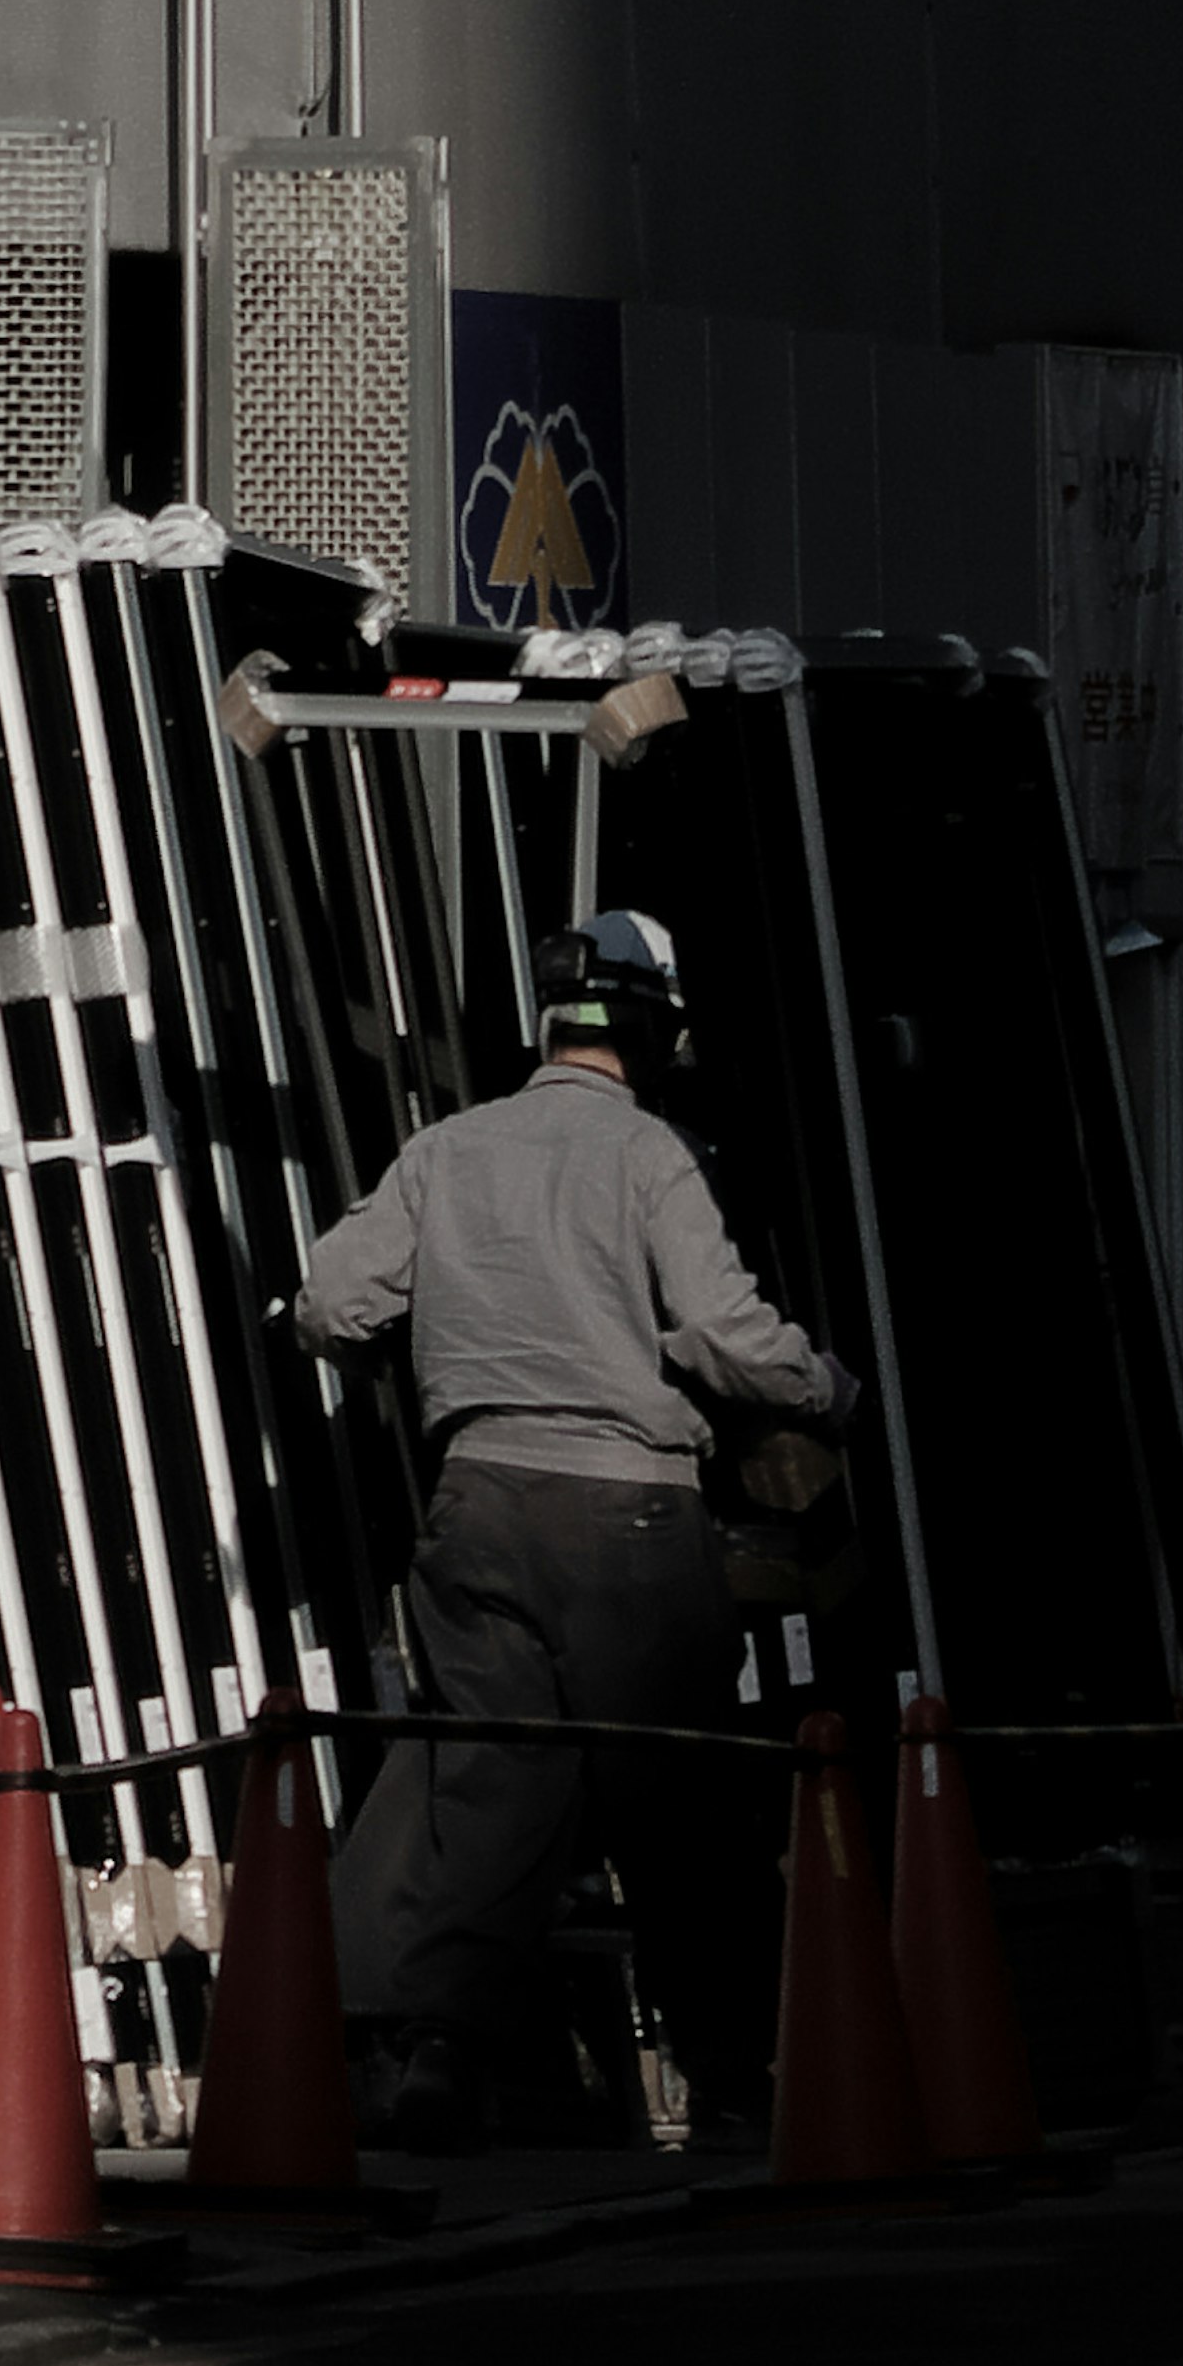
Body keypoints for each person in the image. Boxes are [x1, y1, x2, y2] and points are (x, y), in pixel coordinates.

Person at [294, 906, 857, 2141]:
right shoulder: (653, 1156)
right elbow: (720, 1333)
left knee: (487, 1784)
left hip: (476, 1503)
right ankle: (733, 2081)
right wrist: (826, 1386)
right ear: (655, 1028)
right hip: (631, 1523)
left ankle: (437, 2055)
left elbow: (330, 1302)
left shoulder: (443, 1150)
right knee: (681, 1804)